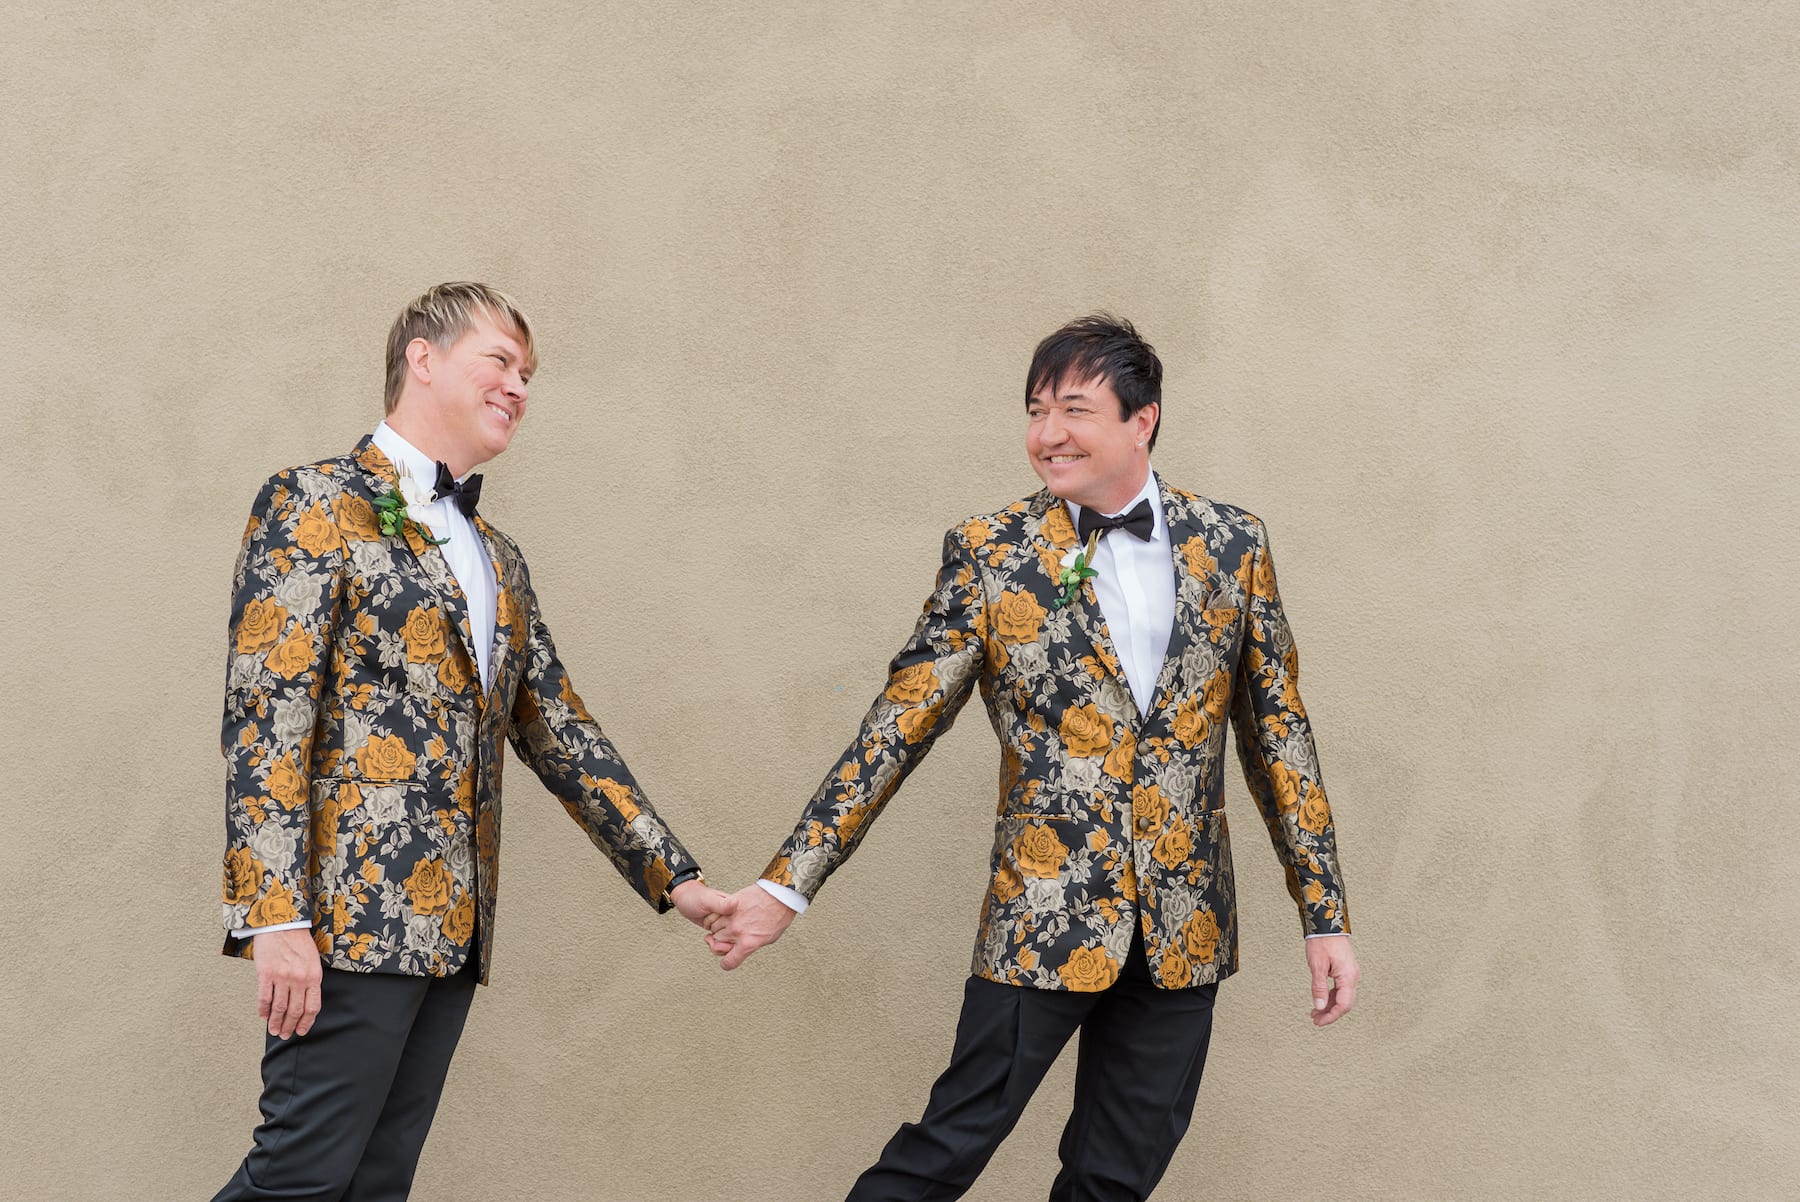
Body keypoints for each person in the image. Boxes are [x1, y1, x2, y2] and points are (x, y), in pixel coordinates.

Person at [705, 314, 1359, 1201]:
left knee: (1112, 1183)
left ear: (1144, 419)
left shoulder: (1234, 545)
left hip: (1183, 926)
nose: (1048, 433)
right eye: (1035, 409)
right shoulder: (992, 552)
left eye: (1075, 409)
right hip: (1042, 915)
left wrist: (1323, 914)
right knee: (940, 1155)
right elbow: (895, 728)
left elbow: (1279, 736)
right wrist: (789, 885)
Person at [213, 282, 729, 1200]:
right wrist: (275, 916)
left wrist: (674, 877)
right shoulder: (314, 502)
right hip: (346, 922)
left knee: (375, 1185)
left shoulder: (497, 555)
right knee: (296, 1180)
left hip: (453, 931)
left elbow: (560, 731)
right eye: (501, 361)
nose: (520, 387)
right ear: (422, 356)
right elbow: (268, 716)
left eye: (528, 374)